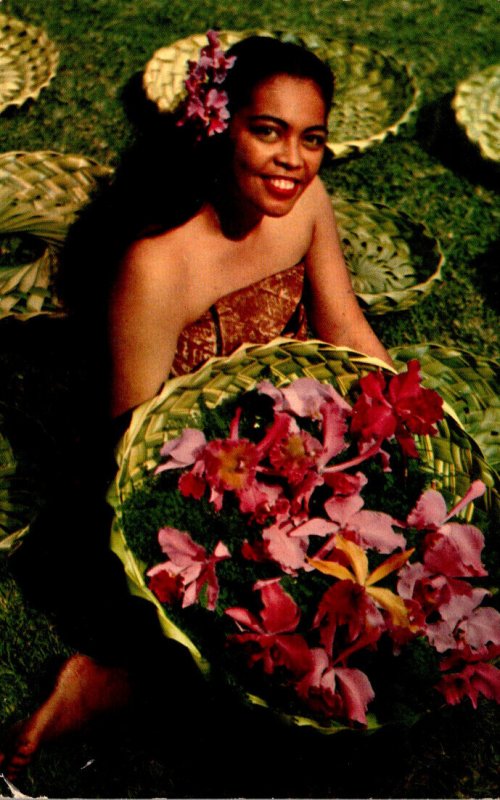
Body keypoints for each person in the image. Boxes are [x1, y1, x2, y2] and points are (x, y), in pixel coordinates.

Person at [0, 33, 393, 781]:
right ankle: (102, 681)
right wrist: (254, 502)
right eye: (267, 130)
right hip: (172, 479)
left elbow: (342, 324)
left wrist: (394, 411)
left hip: (291, 441)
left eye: (311, 139)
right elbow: (131, 446)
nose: (293, 160)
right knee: (287, 615)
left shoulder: (306, 203)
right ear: (222, 125)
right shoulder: (161, 262)